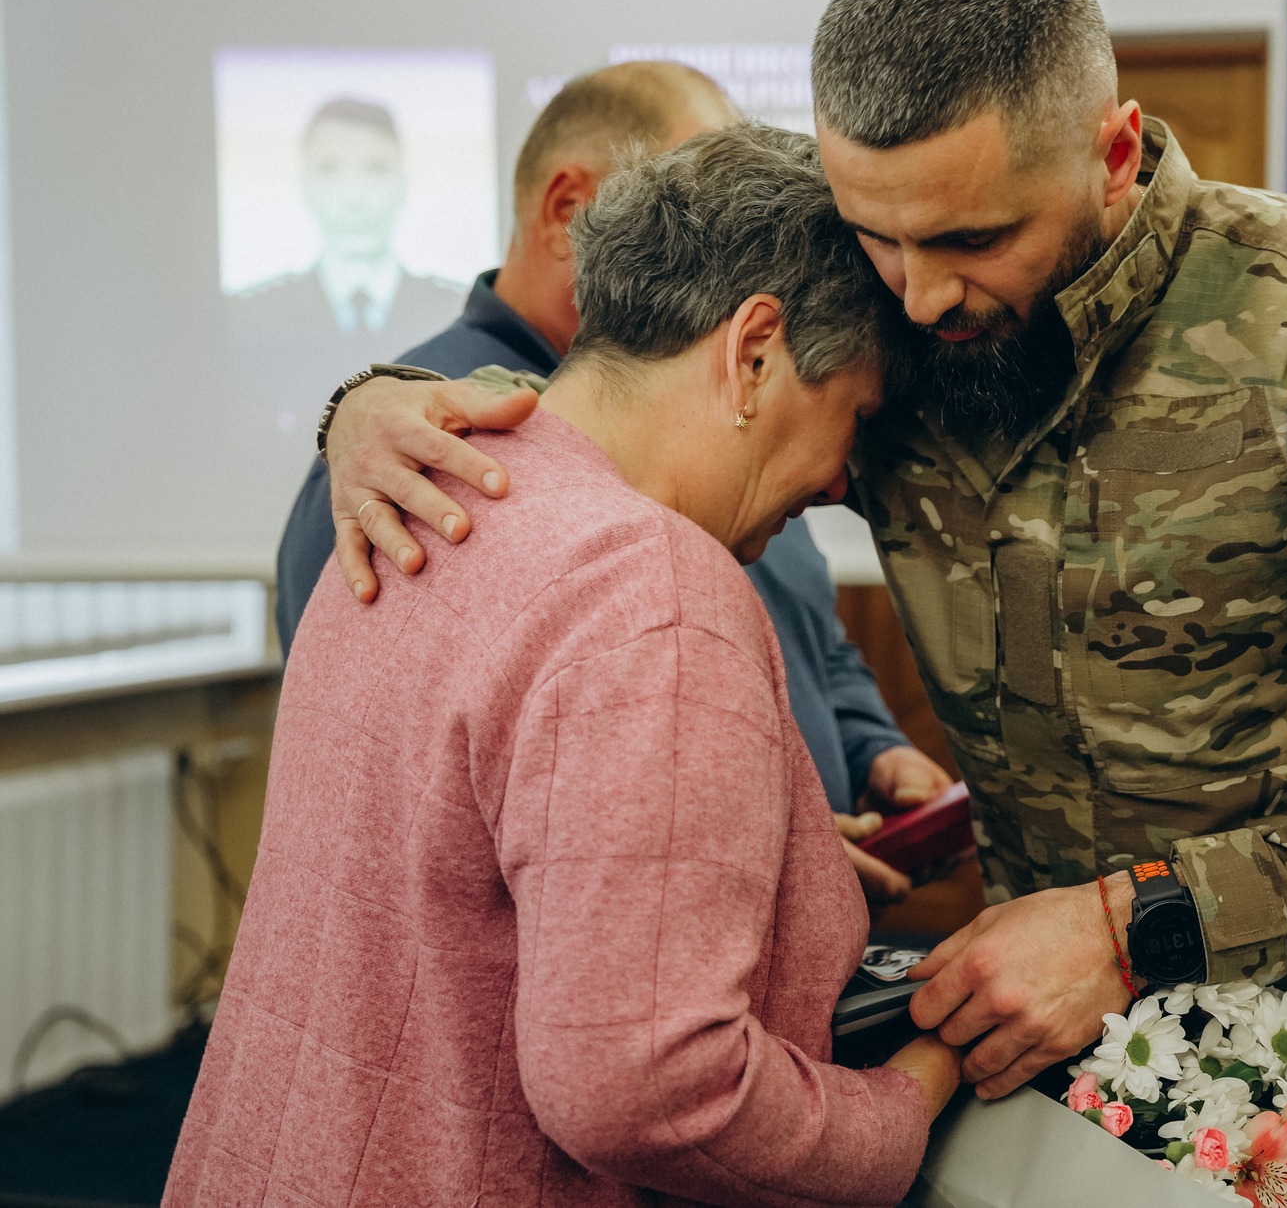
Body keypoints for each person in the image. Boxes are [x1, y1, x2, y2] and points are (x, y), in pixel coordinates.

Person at [318, 0, 1287, 1102]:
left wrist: (1136, 929)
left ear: (1116, 153)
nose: (917, 294)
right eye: (874, 237)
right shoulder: (902, 289)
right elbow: (649, 361)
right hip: (1054, 1065)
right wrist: (381, 406)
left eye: (968, 243)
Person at [166, 125, 960, 1208]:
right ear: (755, 350)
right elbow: (648, 1089)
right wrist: (902, 1107)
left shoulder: (427, 487)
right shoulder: (655, 588)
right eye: (853, 417)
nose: (838, 484)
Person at [272, 63, 952, 903]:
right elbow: (380, 798)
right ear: (572, 210)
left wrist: (865, 746)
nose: (717, 223)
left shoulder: (746, 433)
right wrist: (720, 857)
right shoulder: (416, 451)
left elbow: (811, 633)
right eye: (686, 190)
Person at [237, 97, 466, 339]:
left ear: (404, 184)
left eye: (376, 169)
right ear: (305, 187)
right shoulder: (250, 315)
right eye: (329, 170)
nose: (353, 198)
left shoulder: (461, 316)